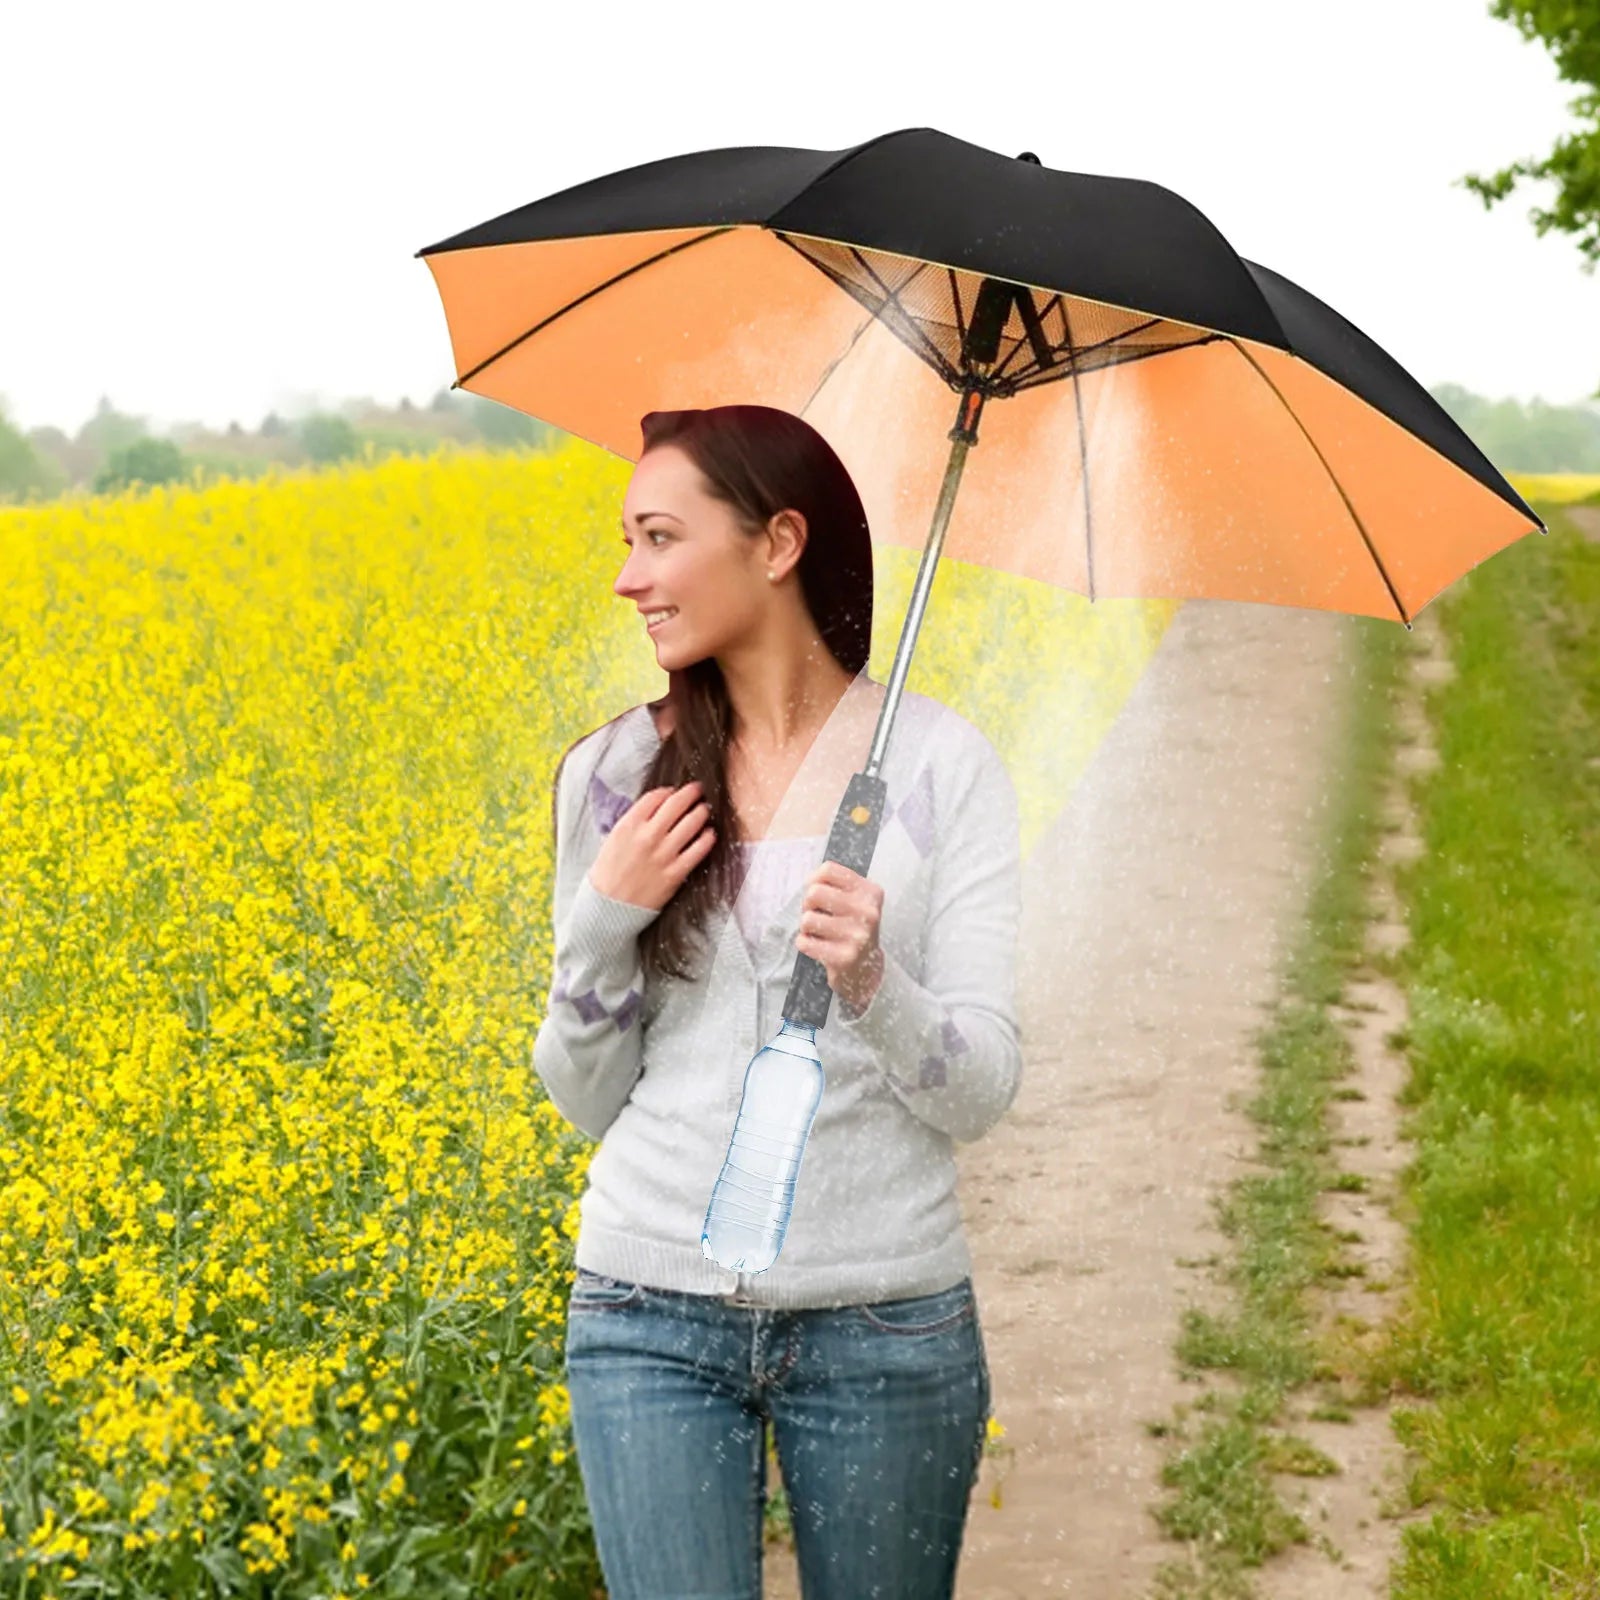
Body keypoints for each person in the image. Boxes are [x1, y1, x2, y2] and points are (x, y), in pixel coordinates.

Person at [532, 403, 1023, 1599]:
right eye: (627, 541)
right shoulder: (613, 777)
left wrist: (872, 981)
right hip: (645, 1310)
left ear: (778, 542)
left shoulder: (941, 770)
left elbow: (983, 1088)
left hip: (884, 1318)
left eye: (657, 537)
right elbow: (586, 1096)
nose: (627, 578)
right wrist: (601, 922)